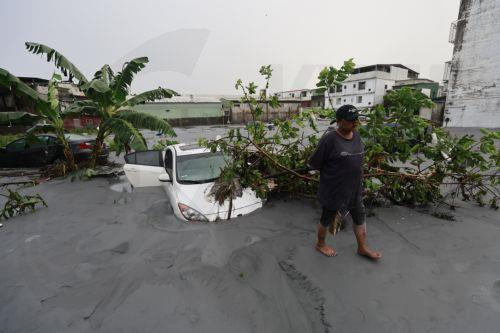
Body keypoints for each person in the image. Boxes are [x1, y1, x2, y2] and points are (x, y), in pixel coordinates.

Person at [309, 104, 381, 260]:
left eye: (356, 119)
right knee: (326, 219)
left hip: (355, 190)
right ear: (339, 121)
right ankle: (320, 244)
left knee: (360, 217)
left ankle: (362, 248)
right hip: (333, 191)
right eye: (350, 120)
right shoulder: (329, 140)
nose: (355, 122)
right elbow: (315, 163)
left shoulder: (357, 135)